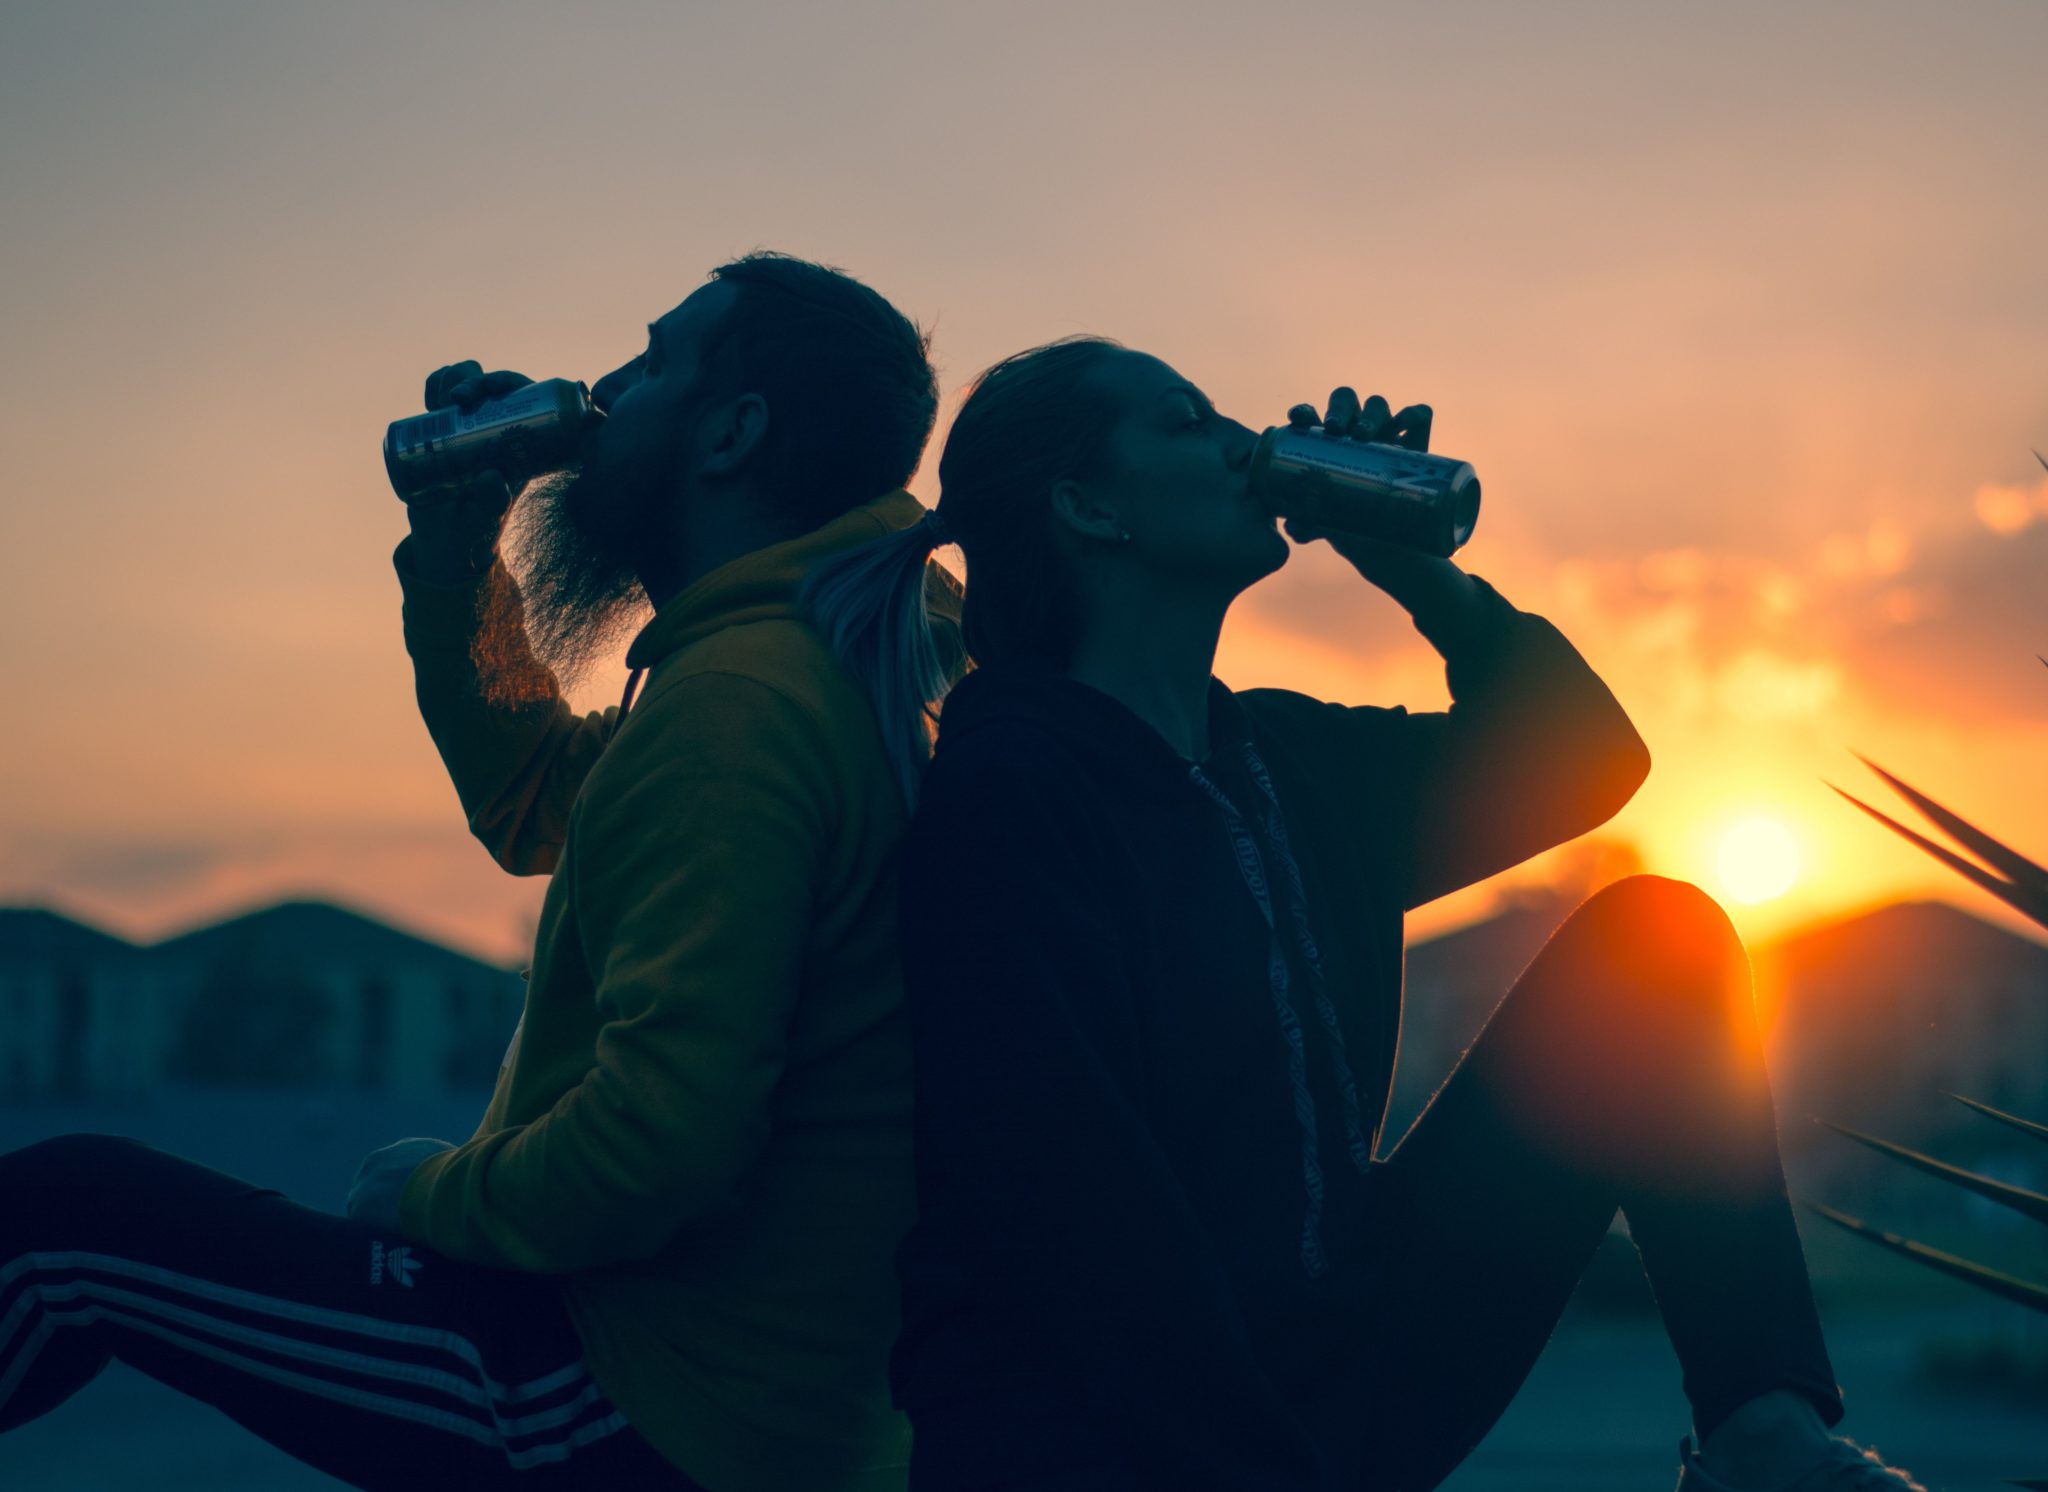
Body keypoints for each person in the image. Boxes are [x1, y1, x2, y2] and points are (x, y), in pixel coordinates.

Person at [802, 337, 1925, 1491]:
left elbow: (1585, 755)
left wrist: (1412, 568)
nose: (1245, 443)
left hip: (1344, 1355)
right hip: (1114, 1436)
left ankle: (1760, 1441)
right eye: (1190, 422)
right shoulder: (1009, 793)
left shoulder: (1280, 760)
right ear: (1088, 506)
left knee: (1655, 944)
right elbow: (1078, 1221)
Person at [0, 252, 962, 1491]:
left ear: (731, 432)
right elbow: (536, 800)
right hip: (783, 1405)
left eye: (654, 359)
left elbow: (656, 1150)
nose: (607, 388)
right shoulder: (832, 659)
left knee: (67, 1228)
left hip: (641, 1404)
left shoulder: (742, 704)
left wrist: (430, 1197)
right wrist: (460, 550)